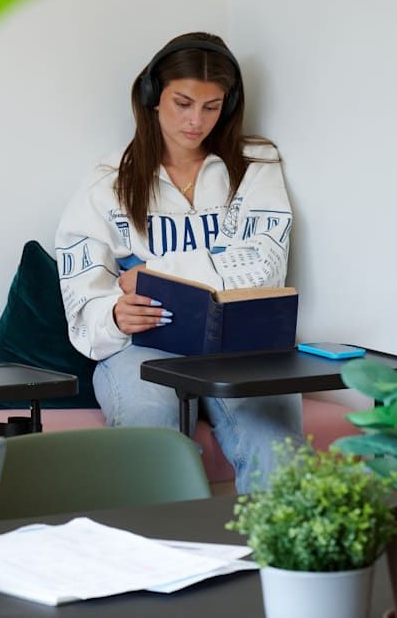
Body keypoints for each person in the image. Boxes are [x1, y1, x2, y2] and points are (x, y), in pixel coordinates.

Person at [56, 32, 302, 493]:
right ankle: (154, 560)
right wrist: (113, 312)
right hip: (143, 347)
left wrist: (148, 275)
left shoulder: (256, 162)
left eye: (212, 106)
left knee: (277, 448)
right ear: (152, 98)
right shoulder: (109, 181)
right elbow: (81, 285)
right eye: (183, 103)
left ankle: (277, 563)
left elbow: (266, 265)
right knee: (151, 439)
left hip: (243, 348)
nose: (196, 121)